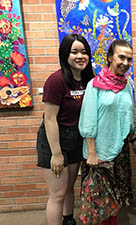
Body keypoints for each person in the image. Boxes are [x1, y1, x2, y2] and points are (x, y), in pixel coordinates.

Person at [78, 39, 136, 225]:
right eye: (121, 57)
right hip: (99, 152)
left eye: (129, 59)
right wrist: (92, 152)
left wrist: (134, 139)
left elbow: (129, 116)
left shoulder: (127, 85)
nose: (125, 63)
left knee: (114, 199)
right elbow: (88, 120)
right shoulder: (94, 85)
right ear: (110, 57)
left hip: (120, 150)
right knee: (99, 201)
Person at [36, 33, 94, 225]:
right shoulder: (56, 80)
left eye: (84, 52)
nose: (80, 56)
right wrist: (56, 153)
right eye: (74, 52)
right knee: (57, 194)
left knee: (69, 187)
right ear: (65, 55)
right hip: (55, 138)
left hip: (76, 137)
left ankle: (68, 220)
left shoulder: (88, 79)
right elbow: (50, 119)